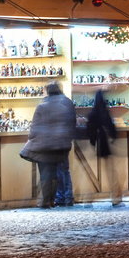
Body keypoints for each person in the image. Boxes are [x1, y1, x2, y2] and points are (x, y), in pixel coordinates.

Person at [26, 81, 76, 209]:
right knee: (64, 170)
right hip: (63, 143)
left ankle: (52, 199)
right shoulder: (67, 102)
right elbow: (72, 122)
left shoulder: (43, 105)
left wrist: (32, 138)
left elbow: (35, 127)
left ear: (48, 91)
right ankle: (67, 197)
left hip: (47, 144)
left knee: (48, 173)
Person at [84, 90, 122, 208]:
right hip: (106, 145)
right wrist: (113, 138)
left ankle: (88, 199)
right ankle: (115, 198)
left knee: (93, 174)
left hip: (95, 145)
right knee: (111, 173)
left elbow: (89, 130)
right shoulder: (105, 113)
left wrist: (91, 142)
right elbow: (111, 129)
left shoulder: (92, 114)